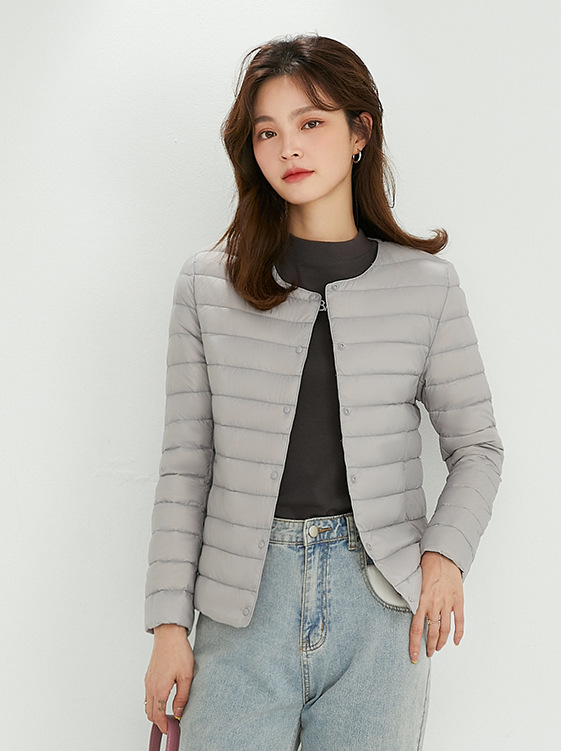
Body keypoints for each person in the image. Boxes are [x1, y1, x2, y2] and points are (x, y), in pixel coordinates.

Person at [144, 34, 504, 750]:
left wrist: (445, 556)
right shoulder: (207, 285)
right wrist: (168, 627)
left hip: (379, 606)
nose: (289, 148)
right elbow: (186, 467)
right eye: (267, 132)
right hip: (241, 608)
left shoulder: (427, 287)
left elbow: (477, 448)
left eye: (310, 122)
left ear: (360, 131)